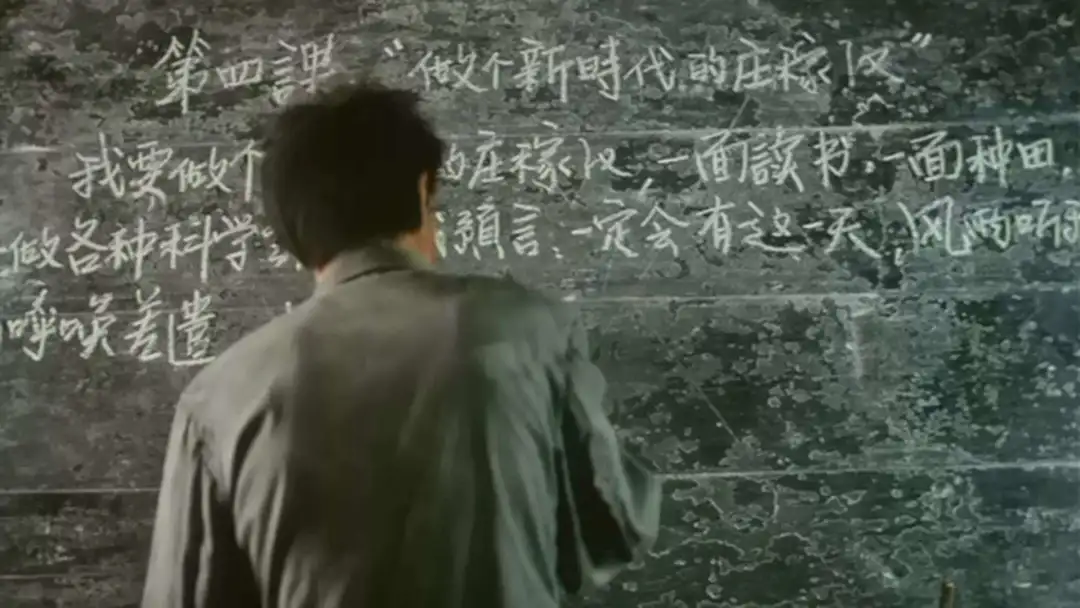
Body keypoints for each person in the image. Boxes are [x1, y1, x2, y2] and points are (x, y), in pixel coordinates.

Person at [140, 81, 662, 608]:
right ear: (422, 189)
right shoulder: (530, 329)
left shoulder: (218, 396)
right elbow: (614, 525)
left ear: (290, 226)